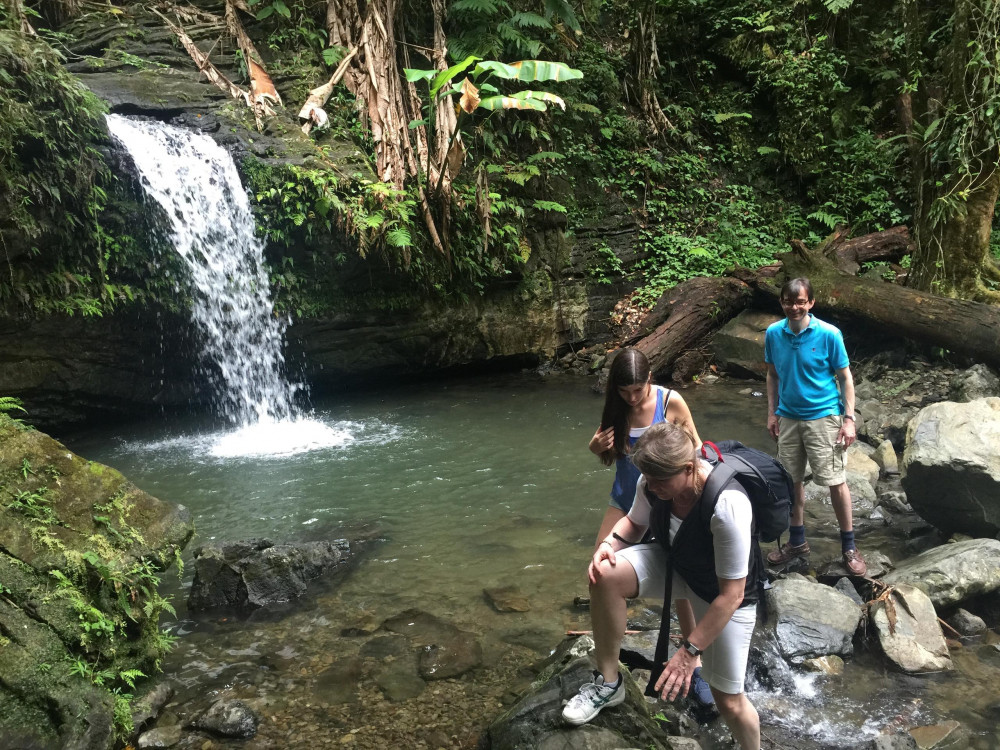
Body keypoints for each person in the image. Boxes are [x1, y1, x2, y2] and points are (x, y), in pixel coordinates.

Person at [563, 422, 761, 750]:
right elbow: (636, 522)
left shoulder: (728, 508)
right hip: (677, 564)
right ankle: (609, 684)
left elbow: (732, 595)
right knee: (604, 575)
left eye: (660, 481)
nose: (651, 487)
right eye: (648, 480)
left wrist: (688, 653)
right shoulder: (652, 480)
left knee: (729, 701)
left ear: (688, 468)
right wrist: (608, 546)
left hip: (720, 592)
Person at [764, 277, 866, 576]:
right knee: (790, 481)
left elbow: (846, 377)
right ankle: (797, 542)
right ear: (782, 302)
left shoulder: (829, 334)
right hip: (788, 418)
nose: (794, 307)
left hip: (824, 417)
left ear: (810, 303)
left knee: (835, 481)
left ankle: (849, 547)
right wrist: (772, 414)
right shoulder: (773, 333)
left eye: (800, 302)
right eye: (788, 301)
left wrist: (849, 420)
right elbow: (772, 376)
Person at [588, 347, 702, 546]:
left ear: (649, 378)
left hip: (665, 501)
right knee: (600, 566)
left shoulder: (669, 402)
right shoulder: (616, 406)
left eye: (637, 390)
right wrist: (595, 448)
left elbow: (696, 450)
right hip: (624, 498)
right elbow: (604, 448)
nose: (631, 398)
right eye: (624, 391)